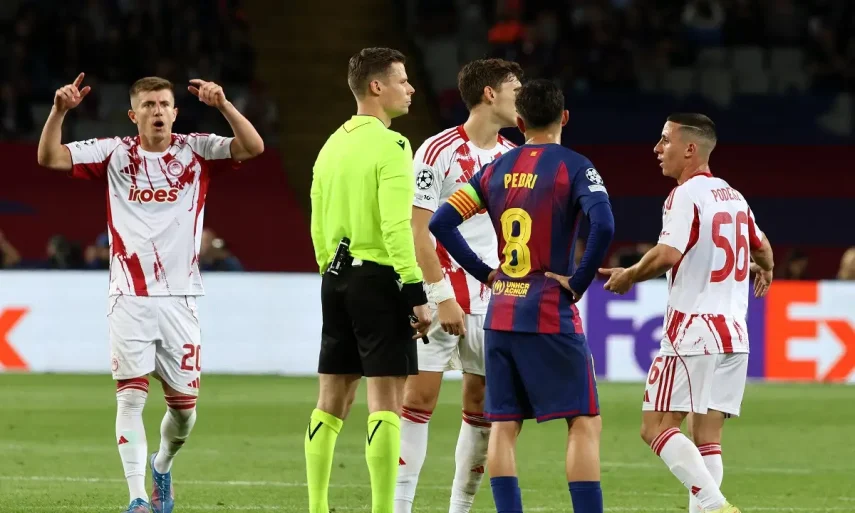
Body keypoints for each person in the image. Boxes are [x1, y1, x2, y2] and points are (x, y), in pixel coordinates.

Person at [36, 73, 265, 513]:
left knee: (184, 413)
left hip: (180, 299)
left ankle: (162, 464)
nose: (157, 111)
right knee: (130, 397)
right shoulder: (114, 152)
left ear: (175, 113)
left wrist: (223, 104)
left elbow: (253, 147)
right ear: (133, 114)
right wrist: (59, 111)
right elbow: (49, 157)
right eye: (148, 105)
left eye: (164, 104)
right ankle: (137, 498)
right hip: (128, 296)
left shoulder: (197, 150)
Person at [429, 79, 614, 513]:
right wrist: (579, 281)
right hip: (549, 310)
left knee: (504, 425)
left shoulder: (495, 169)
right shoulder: (574, 166)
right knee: (583, 420)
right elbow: (603, 224)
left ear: (520, 121)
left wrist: (485, 273)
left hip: (501, 312)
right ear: (564, 117)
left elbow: (441, 222)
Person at [598, 113, 774, 513]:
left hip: (693, 330)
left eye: (665, 140)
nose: (657, 149)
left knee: (655, 428)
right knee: (706, 437)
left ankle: (716, 506)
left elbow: (667, 254)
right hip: (734, 334)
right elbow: (762, 247)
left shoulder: (685, 195)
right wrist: (767, 268)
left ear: (690, 149)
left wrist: (629, 275)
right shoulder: (733, 195)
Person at [306, 47, 432, 513]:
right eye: (402, 80)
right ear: (377, 86)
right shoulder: (392, 145)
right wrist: (415, 289)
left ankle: (317, 507)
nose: (411, 89)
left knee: (331, 400)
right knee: (386, 400)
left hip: (336, 278)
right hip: (379, 280)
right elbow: (397, 225)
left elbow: (318, 221)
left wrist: (329, 269)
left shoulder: (331, 144)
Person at [396, 58, 522, 513]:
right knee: (418, 398)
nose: (521, 97)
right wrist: (442, 296)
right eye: (515, 89)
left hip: (493, 299)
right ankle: (400, 507)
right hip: (440, 293)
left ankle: (459, 509)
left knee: (482, 404)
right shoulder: (436, 151)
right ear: (490, 94)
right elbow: (418, 230)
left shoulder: (514, 158)